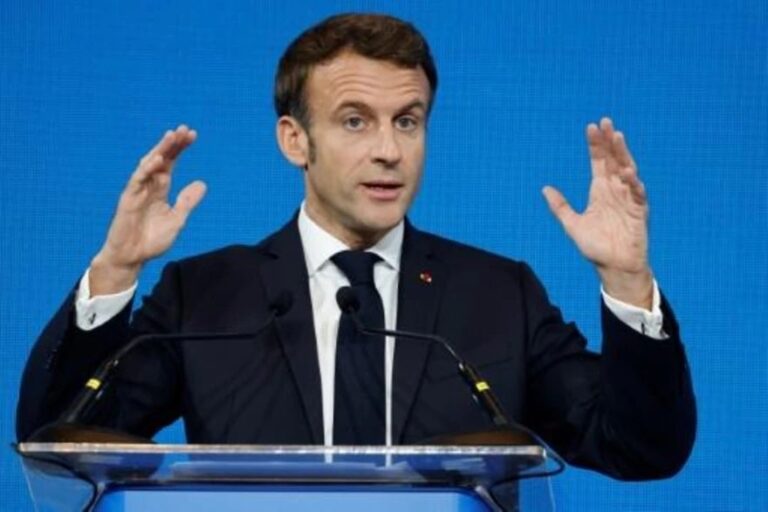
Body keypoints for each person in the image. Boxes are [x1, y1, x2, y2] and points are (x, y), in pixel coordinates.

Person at [17, 13, 695, 479]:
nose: (389, 150)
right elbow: (58, 441)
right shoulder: (206, 295)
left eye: (408, 121)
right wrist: (116, 270)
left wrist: (627, 281)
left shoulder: (498, 296)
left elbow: (640, 448)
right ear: (295, 140)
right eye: (354, 121)